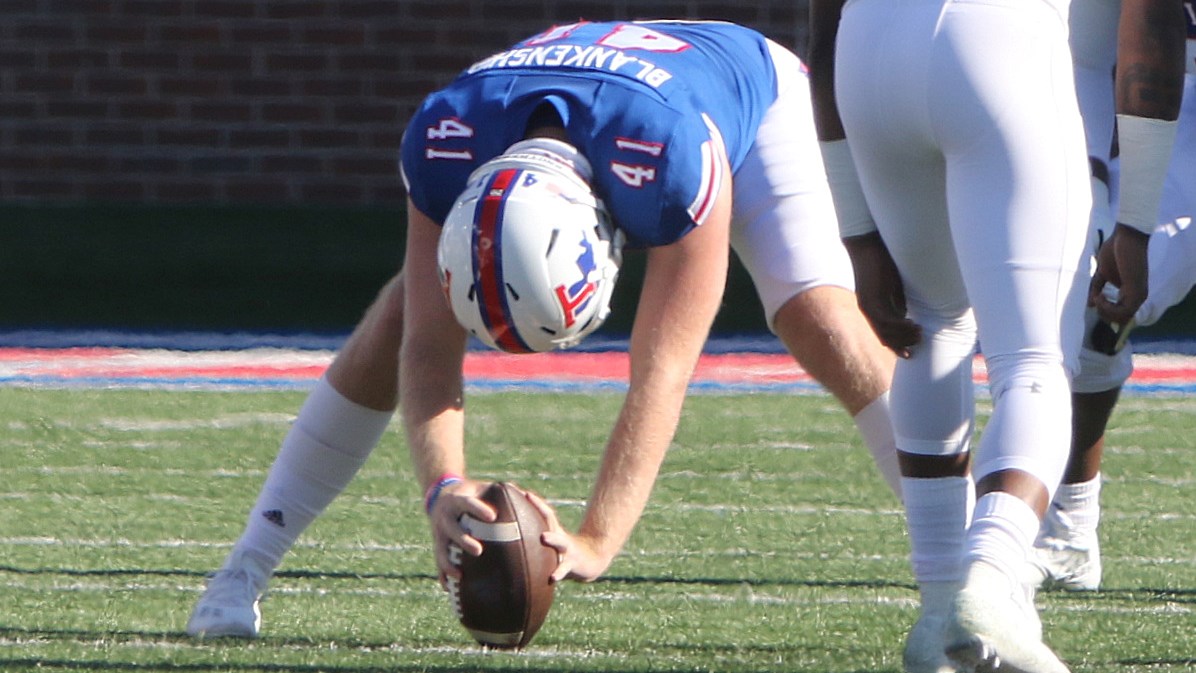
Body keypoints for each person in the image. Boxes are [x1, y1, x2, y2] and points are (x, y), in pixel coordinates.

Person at [185, 19, 903, 639]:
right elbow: (429, 346)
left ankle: (963, 530)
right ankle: (246, 563)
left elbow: (662, 371)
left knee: (816, 315)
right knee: (403, 312)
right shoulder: (446, 136)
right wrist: (442, 488)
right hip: (579, 95)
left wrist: (596, 539)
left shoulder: (671, 155)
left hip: (741, 83)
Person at [809, 0, 1185, 671]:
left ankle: (939, 608)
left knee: (930, 325)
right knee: (1036, 359)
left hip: (867, 48)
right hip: (996, 38)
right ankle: (993, 576)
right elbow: (1151, 23)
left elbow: (825, 20)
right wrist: (1133, 222)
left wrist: (855, 229)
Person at [1032, 0, 1196, 592]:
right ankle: (1070, 530)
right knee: (1096, 294)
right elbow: (1090, 55)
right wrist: (1106, 193)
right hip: (1167, 111)